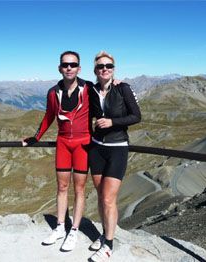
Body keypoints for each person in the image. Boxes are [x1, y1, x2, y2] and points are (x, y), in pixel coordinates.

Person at [21, 51, 93, 252]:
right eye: (65, 64)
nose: (69, 67)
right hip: (63, 143)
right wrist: (36, 137)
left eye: (73, 64)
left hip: (83, 144)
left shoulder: (89, 88)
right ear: (60, 68)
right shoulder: (53, 92)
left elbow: (106, 100)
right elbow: (48, 117)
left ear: (79, 68)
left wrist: (118, 84)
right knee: (62, 187)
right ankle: (60, 227)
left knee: (79, 188)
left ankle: (74, 230)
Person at [88, 51, 141, 262]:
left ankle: (108, 245)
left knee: (109, 198)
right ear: (95, 71)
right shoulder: (91, 90)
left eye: (108, 66)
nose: (105, 69)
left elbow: (137, 116)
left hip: (117, 147)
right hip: (96, 148)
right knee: (101, 196)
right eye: (101, 67)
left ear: (114, 69)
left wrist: (112, 122)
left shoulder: (123, 88)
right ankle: (104, 234)